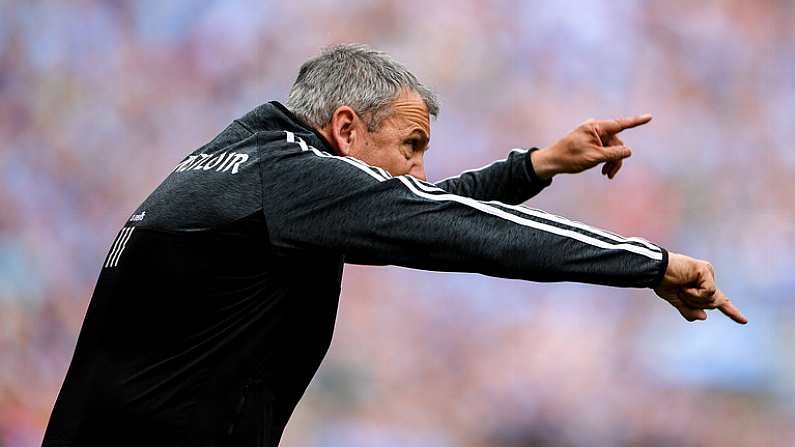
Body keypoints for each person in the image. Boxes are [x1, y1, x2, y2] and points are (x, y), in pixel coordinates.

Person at [42, 43, 747, 447]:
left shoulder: (247, 161)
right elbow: (456, 231)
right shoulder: (297, 181)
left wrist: (534, 165)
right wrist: (649, 262)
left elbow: (418, 207)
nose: (417, 169)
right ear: (345, 129)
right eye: (409, 145)